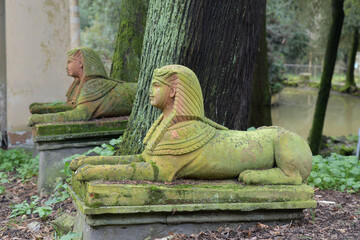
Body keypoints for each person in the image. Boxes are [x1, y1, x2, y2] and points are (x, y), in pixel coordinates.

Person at [70, 65, 312, 185]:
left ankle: (287, 176)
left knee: (279, 139)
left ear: (174, 90)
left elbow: (158, 171)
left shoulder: (186, 133)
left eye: (156, 86)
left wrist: (98, 172)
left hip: (285, 150)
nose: (149, 92)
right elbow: (145, 159)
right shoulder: (168, 126)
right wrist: (93, 161)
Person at [27, 47, 136, 126]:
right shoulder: (85, 85)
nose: (67, 67)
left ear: (81, 63)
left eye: (70, 62)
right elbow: (74, 106)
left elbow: (81, 114)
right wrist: (43, 108)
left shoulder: (93, 85)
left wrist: (40, 118)